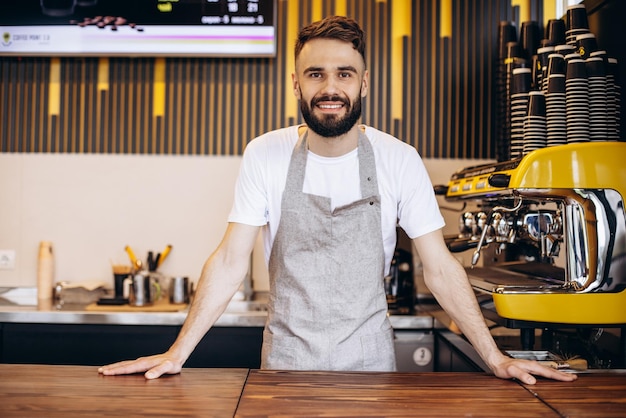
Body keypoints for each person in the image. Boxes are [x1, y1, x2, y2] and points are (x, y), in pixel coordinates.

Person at [99, 16, 576, 384]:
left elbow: (440, 267)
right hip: (283, 368)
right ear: (296, 84)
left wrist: (494, 357)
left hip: (370, 369)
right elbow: (229, 260)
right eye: (316, 74)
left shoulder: (398, 159)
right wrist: (177, 353)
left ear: (363, 84)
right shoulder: (265, 154)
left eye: (344, 74)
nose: (330, 88)